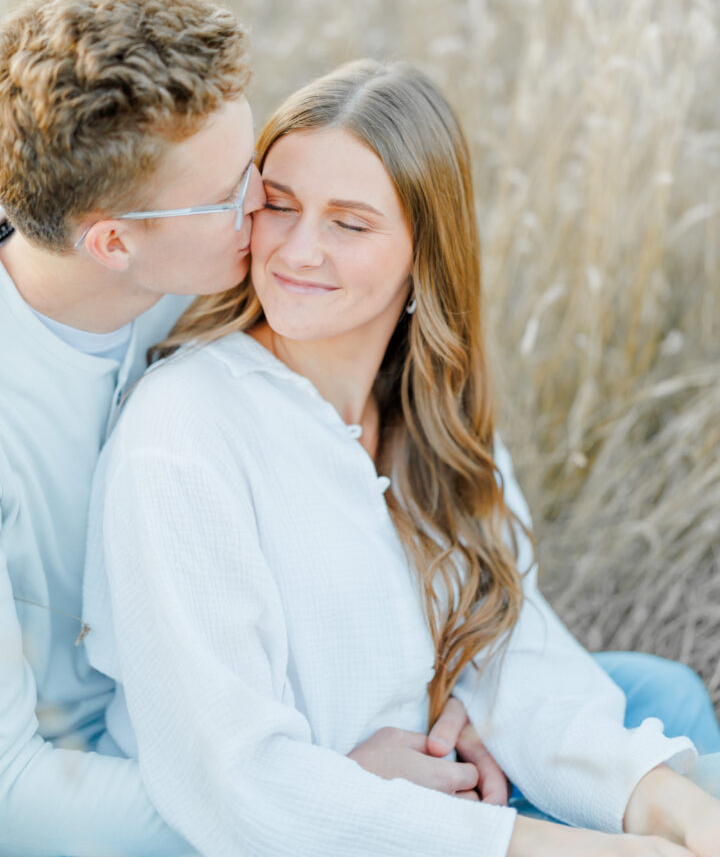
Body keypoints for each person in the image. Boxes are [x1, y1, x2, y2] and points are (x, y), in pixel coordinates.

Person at [84, 59, 720, 857]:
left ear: (425, 253)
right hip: (301, 835)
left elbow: (514, 656)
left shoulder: (434, 420)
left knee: (688, 763)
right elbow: (239, 784)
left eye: (349, 224)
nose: (298, 252)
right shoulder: (182, 437)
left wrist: (677, 813)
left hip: (435, 798)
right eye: (277, 206)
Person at [0, 0, 536, 856]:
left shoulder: (202, 273)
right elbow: (13, 797)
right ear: (112, 243)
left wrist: (464, 697)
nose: (265, 209)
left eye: (254, 165)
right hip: (137, 786)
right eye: (231, 195)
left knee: (651, 699)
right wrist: (325, 786)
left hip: (307, 689)